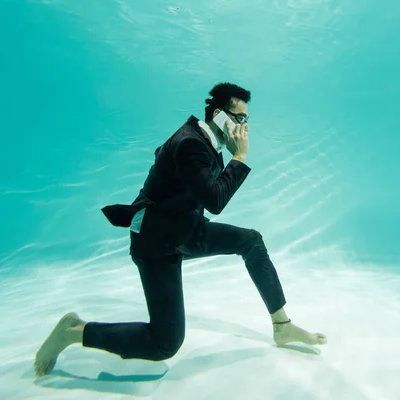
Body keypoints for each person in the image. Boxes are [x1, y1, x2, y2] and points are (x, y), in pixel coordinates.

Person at [34, 82, 327, 376]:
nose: (245, 127)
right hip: (156, 243)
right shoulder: (190, 143)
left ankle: (282, 326)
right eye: (239, 119)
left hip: (185, 230)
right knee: (165, 344)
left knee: (251, 241)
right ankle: (73, 331)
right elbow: (214, 200)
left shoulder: (203, 140)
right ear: (218, 114)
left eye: (246, 120)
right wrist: (239, 158)